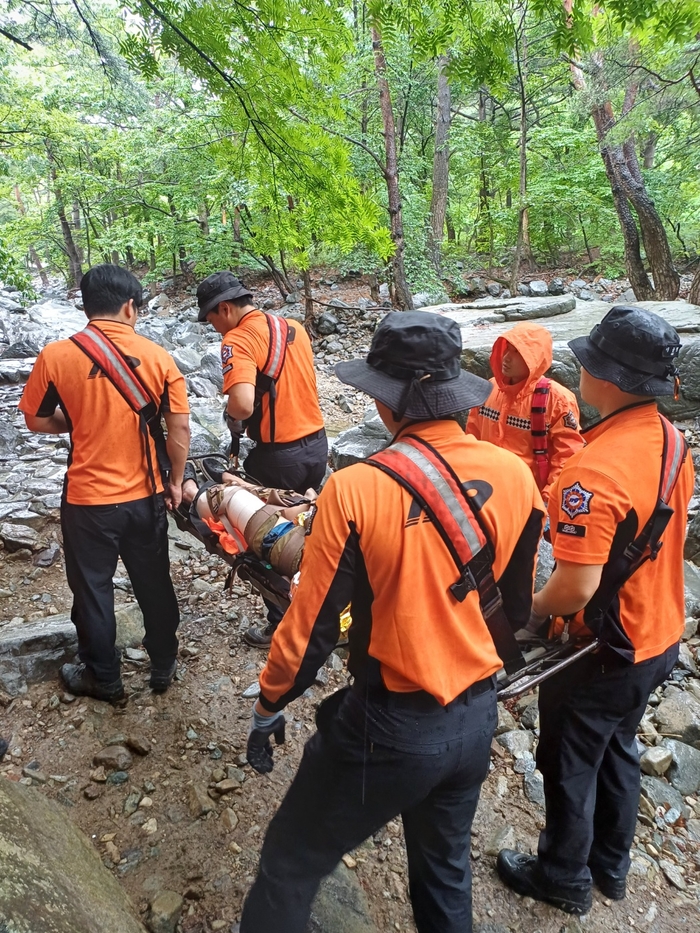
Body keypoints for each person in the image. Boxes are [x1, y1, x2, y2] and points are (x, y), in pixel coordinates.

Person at [238, 312, 544, 933]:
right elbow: (516, 610)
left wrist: (271, 701)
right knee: (443, 873)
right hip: (476, 714)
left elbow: (311, 630)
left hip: (392, 724)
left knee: (291, 861)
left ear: (387, 401)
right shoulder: (518, 477)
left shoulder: (356, 489)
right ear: (454, 395)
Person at [496, 306, 694, 915]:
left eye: (587, 362)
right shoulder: (671, 439)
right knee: (617, 746)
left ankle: (563, 876)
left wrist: (527, 610)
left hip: (603, 646)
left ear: (604, 378)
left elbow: (577, 588)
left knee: (568, 758)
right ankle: (611, 865)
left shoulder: (594, 470)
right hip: (659, 630)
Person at [19, 264, 190, 702]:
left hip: (87, 501)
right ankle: (164, 662)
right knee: (154, 581)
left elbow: (36, 419)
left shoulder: (56, 356)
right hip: (146, 495)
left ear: (86, 305)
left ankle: (105, 678)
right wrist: (175, 483)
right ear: (130, 306)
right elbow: (179, 432)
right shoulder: (159, 357)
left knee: (93, 592)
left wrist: (76, 422)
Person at [196, 271, 327, 647]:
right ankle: (317, 600)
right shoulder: (294, 329)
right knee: (304, 524)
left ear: (225, 309)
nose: (213, 328)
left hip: (278, 455)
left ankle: (284, 624)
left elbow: (241, 404)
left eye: (211, 319)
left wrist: (233, 419)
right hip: (316, 447)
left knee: (266, 536)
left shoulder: (237, 339)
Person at [467, 321, 583, 502]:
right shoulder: (488, 389)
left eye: (517, 353)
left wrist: (547, 501)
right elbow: (471, 440)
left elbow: (567, 456)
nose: (506, 358)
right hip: (486, 495)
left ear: (534, 358)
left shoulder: (557, 400)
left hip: (530, 498)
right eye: (507, 349)